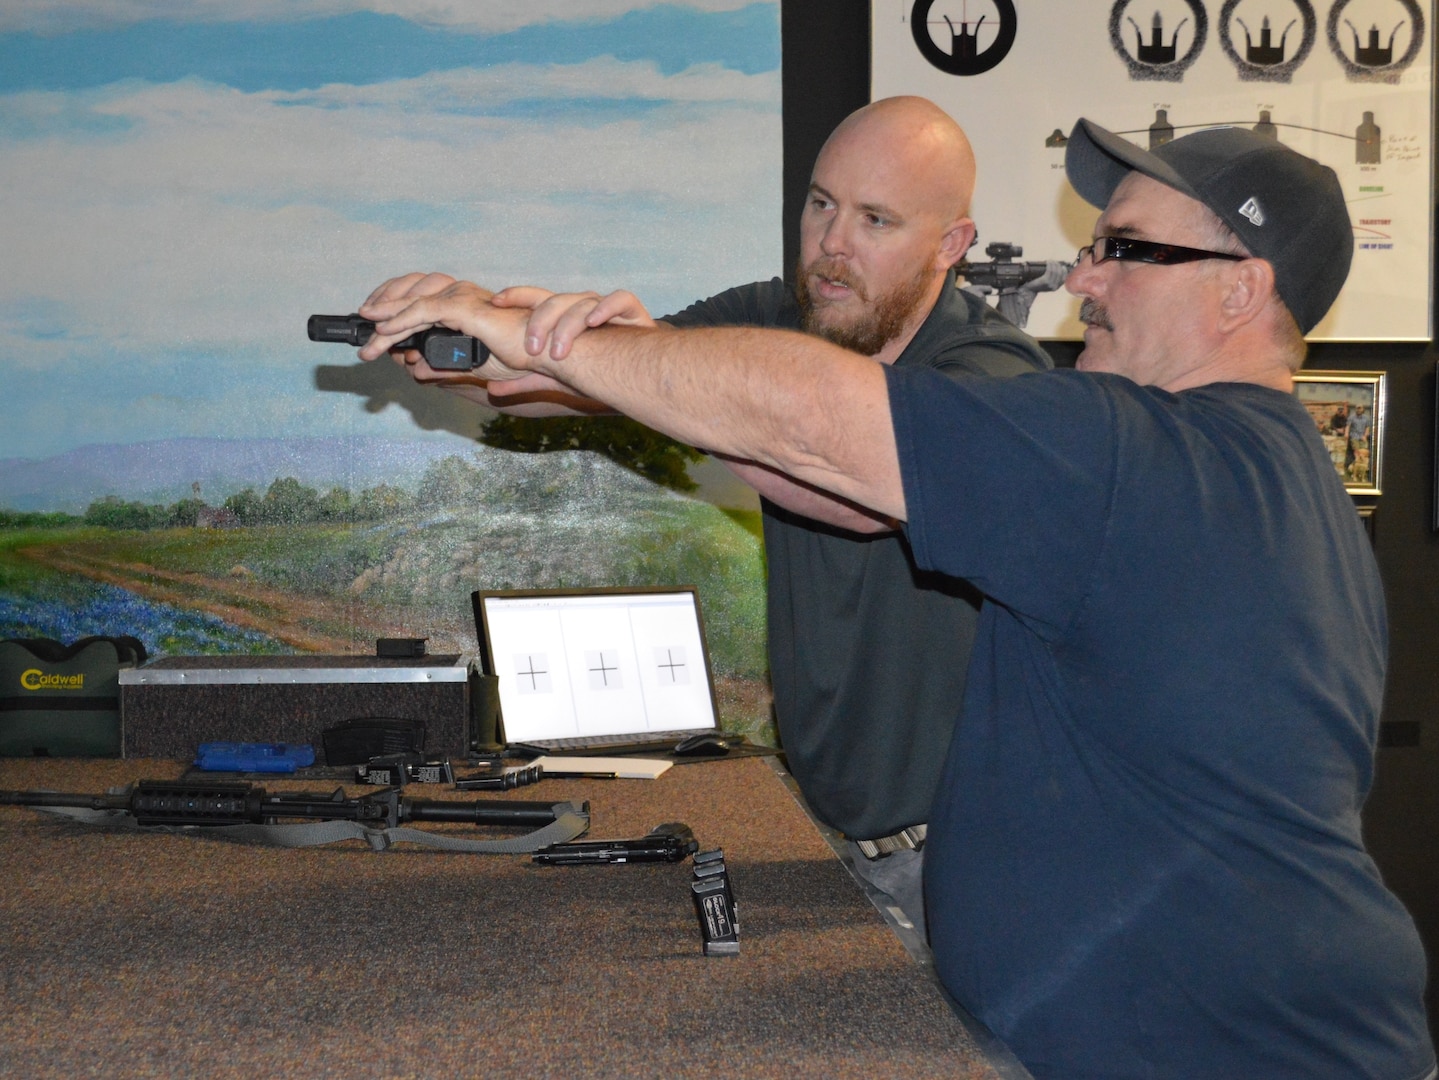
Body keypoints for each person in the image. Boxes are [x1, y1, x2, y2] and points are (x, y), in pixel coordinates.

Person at [356, 117, 1436, 1078]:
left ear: (1239, 289)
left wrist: (594, 349)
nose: (1084, 280)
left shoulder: (1130, 456)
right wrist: (557, 351)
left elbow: (821, 425)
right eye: (1094, 247)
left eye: (1125, 252)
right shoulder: (1251, 468)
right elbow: (806, 459)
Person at [360, 96, 1051, 934]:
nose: (832, 243)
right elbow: (562, 387)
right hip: (835, 838)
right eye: (821, 203)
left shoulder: (994, 377)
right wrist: (471, 332)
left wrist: (661, 378)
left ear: (950, 244)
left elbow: (855, 481)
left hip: (968, 863)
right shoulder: (781, 316)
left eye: (875, 219)